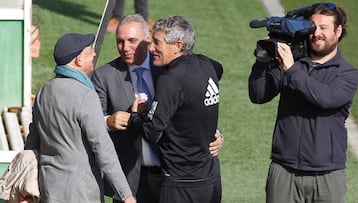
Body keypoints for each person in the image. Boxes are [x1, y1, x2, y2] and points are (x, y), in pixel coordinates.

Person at [91, 14, 223, 203]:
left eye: (132, 41)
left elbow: (196, 99)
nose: (125, 47)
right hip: (132, 181)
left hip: (173, 177)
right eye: (120, 41)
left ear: (147, 39)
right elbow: (90, 123)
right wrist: (108, 121)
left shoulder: (169, 68)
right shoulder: (104, 76)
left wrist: (214, 133)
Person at [248, 2, 358, 203]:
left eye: (324, 28)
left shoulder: (348, 74)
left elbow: (325, 98)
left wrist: (291, 70)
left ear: (338, 30)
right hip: (284, 171)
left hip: (327, 176)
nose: (317, 34)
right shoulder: (293, 62)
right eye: (313, 27)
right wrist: (262, 65)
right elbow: (258, 95)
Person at [24, 33, 136, 203]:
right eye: (90, 50)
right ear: (78, 60)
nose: (94, 53)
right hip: (81, 193)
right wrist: (126, 195)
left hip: (48, 188)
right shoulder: (86, 95)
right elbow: (103, 149)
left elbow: (32, 142)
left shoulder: (44, 91)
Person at [130, 15, 223, 203]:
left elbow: (152, 132)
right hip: (211, 180)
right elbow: (219, 71)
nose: (151, 49)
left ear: (178, 45)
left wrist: (135, 117)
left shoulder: (170, 80)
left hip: (181, 185)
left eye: (157, 43)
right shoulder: (208, 65)